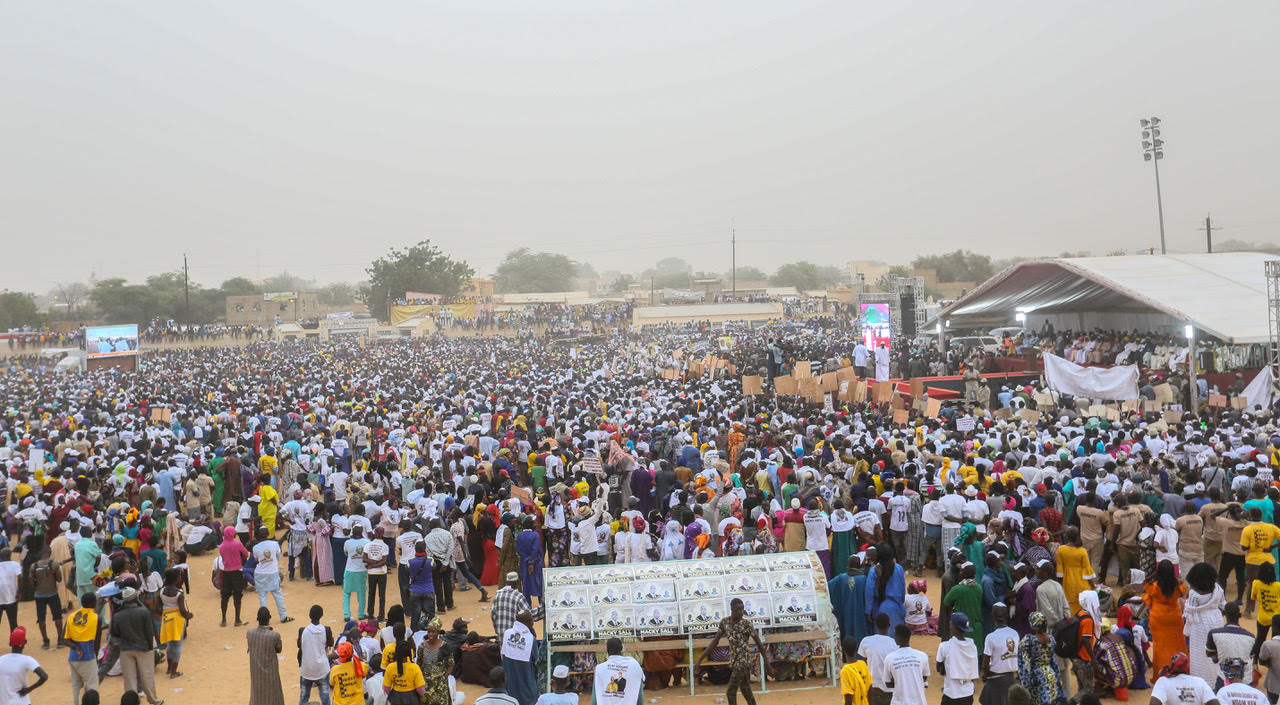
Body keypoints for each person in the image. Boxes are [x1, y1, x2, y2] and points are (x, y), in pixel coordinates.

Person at [695, 597, 773, 705]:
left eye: (742, 609)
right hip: (734, 661)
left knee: (730, 692)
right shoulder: (725, 623)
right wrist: (699, 660)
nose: (741, 612)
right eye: (738, 609)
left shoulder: (746, 624)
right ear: (732, 609)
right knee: (746, 691)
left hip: (743, 662)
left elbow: (759, 644)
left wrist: (767, 664)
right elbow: (714, 642)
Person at [113, 587, 163, 705]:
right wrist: (151, 649)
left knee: (129, 680)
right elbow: (149, 633)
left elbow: (116, 634)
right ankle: (153, 700)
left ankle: (131, 702)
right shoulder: (144, 612)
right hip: (143, 648)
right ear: (135, 598)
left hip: (126, 649)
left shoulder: (118, 615)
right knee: (147, 677)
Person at [1145, 560, 1188, 674]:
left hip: (1158, 617)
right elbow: (1184, 593)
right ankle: (1181, 670)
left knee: (1160, 647)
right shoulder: (1178, 584)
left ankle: (1161, 673)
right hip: (1175, 617)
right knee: (1178, 644)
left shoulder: (1154, 585)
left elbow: (1147, 593)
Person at [1017, 612, 1066, 705]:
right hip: (1050, 675)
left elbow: (1025, 666)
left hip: (1037, 679)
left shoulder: (1027, 641)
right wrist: (1057, 680)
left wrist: (1026, 686)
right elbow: (1054, 664)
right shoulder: (1051, 639)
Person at [66, 592, 103, 705]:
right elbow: (97, 642)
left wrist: (76, 647)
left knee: (76, 687)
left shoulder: (72, 616)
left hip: (73, 656)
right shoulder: (97, 618)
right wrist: (95, 657)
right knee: (91, 687)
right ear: (93, 603)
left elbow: (65, 638)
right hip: (88, 655)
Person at [936, 613, 979, 705]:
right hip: (968, 693)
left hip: (951, 694)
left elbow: (938, 668)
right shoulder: (973, 646)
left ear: (953, 627)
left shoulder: (945, 646)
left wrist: (944, 668)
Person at [157, 568, 193, 679]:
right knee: (177, 645)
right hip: (177, 619)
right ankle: (174, 671)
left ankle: (169, 668)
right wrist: (189, 615)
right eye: (179, 576)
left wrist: (165, 612)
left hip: (166, 618)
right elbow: (182, 610)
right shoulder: (179, 593)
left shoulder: (162, 591)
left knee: (169, 644)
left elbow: (157, 608)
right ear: (176, 579)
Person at [882, 623, 929, 705]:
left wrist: (899, 680)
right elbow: (924, 677)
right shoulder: (922, 656)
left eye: (895, 634)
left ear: (898, 636)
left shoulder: (890, 658)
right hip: (920, 702)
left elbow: (888, 683)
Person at [981, 603, 1019, 705]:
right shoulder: (1015, 634)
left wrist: (985, 674)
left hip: (995, 680)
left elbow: (986, 660)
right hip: (1011, 678)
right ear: (1006, 616)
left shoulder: (991, 637)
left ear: (992, 616)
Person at [0, 627, 48, 705]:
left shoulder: (1, 659)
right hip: (22, 702)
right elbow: (44, 676)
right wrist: (29, 689)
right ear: (25, 642)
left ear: (9, 644)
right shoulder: (27, 660)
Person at [248, 606, 285, 705]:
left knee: (257, 695)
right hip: (270, 673)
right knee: (273, 696)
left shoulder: (250, 633)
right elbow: (279, 649)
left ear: (257, 619)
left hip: (256, 672)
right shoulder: (274, 635)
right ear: (270, 618)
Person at [1150, 653, 1219, 705]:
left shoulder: (1163, 681)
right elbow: (1215, 703)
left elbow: (1154, 703)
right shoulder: (1200, 681)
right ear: (1187, 667)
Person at [858, 613, 897, 705]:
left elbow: (863, 665)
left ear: (875, 624)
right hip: (891, 689)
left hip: (872, 688)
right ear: (889, 625)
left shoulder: (866, 641)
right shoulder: (895, 644)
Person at [298, 604, 334, 705]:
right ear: (321, 616)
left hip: (307, 670)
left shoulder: (302, 631)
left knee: (303, 698)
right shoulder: (326, 630)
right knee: (325, 698)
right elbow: (330, 643)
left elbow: (299, 645)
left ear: (309, 615)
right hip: (322, 669)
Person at [415, 617, 455, 705]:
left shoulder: (444, 647)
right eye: (429, 632)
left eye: (433, 632)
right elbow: (419, 664)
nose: (430, 634)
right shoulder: (422, 647)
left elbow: (451, 664)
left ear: (438, 632)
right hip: (426, 683)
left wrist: (444, 678)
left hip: (440, 685)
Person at [594, 637, 645, 705]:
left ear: (607, 650)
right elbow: (639, 694)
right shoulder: (634, 665)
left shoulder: (599, 669)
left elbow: (595, 697)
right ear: (621, 648)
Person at [501, 611, 537, 705]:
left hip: (509, 680)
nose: (532, 623)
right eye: (531, 620)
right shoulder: (530, 638)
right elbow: (536, 659)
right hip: (525, 680)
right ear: (525, 622)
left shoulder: (507, 633)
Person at [219, 525, 250, 627]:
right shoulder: (237, 544)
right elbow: (246, 554)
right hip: (237, 572)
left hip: (226, 573)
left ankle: (223, 619)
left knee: (224, 597)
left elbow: (223, 557)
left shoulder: (221, 546)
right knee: (237, 596)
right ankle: (237, 620)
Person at [383, 640, 427, 705]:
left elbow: (386, 687)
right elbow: (420, 689)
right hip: (412, 697)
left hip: (395, 697)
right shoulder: (415, 667)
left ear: (396, 652)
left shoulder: (390, 667)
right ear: (409, 653)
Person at [342, 524, 370, 622]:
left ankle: (347, 614)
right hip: (362, 571)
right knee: (361, 593)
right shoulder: (366, 542)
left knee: (346, 593)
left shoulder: (347, 542)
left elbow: (345, 553)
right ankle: (361, 614)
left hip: (349, 570)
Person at [491, 573, 531, 637]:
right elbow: (528, 615)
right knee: (532, 634)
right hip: (515, 639)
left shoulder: (498, 595)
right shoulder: (519, 597)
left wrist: (497, 630)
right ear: (517, 582)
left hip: (501, 636)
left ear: (506, 582)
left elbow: (493, 615)